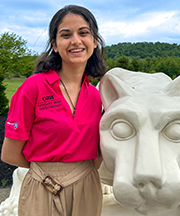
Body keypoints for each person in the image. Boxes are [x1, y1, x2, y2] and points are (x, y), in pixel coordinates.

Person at [1, 5, 106, 216]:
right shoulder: (34, 88)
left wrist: (80, 173)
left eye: (83, 33)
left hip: (87, 186)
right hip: (43, 186)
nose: (76, 41)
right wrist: (46, 171)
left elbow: (101, 152)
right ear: (55, 45)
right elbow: (10, 154)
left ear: (94, 42)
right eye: (66, 35)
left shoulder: (97, 96)